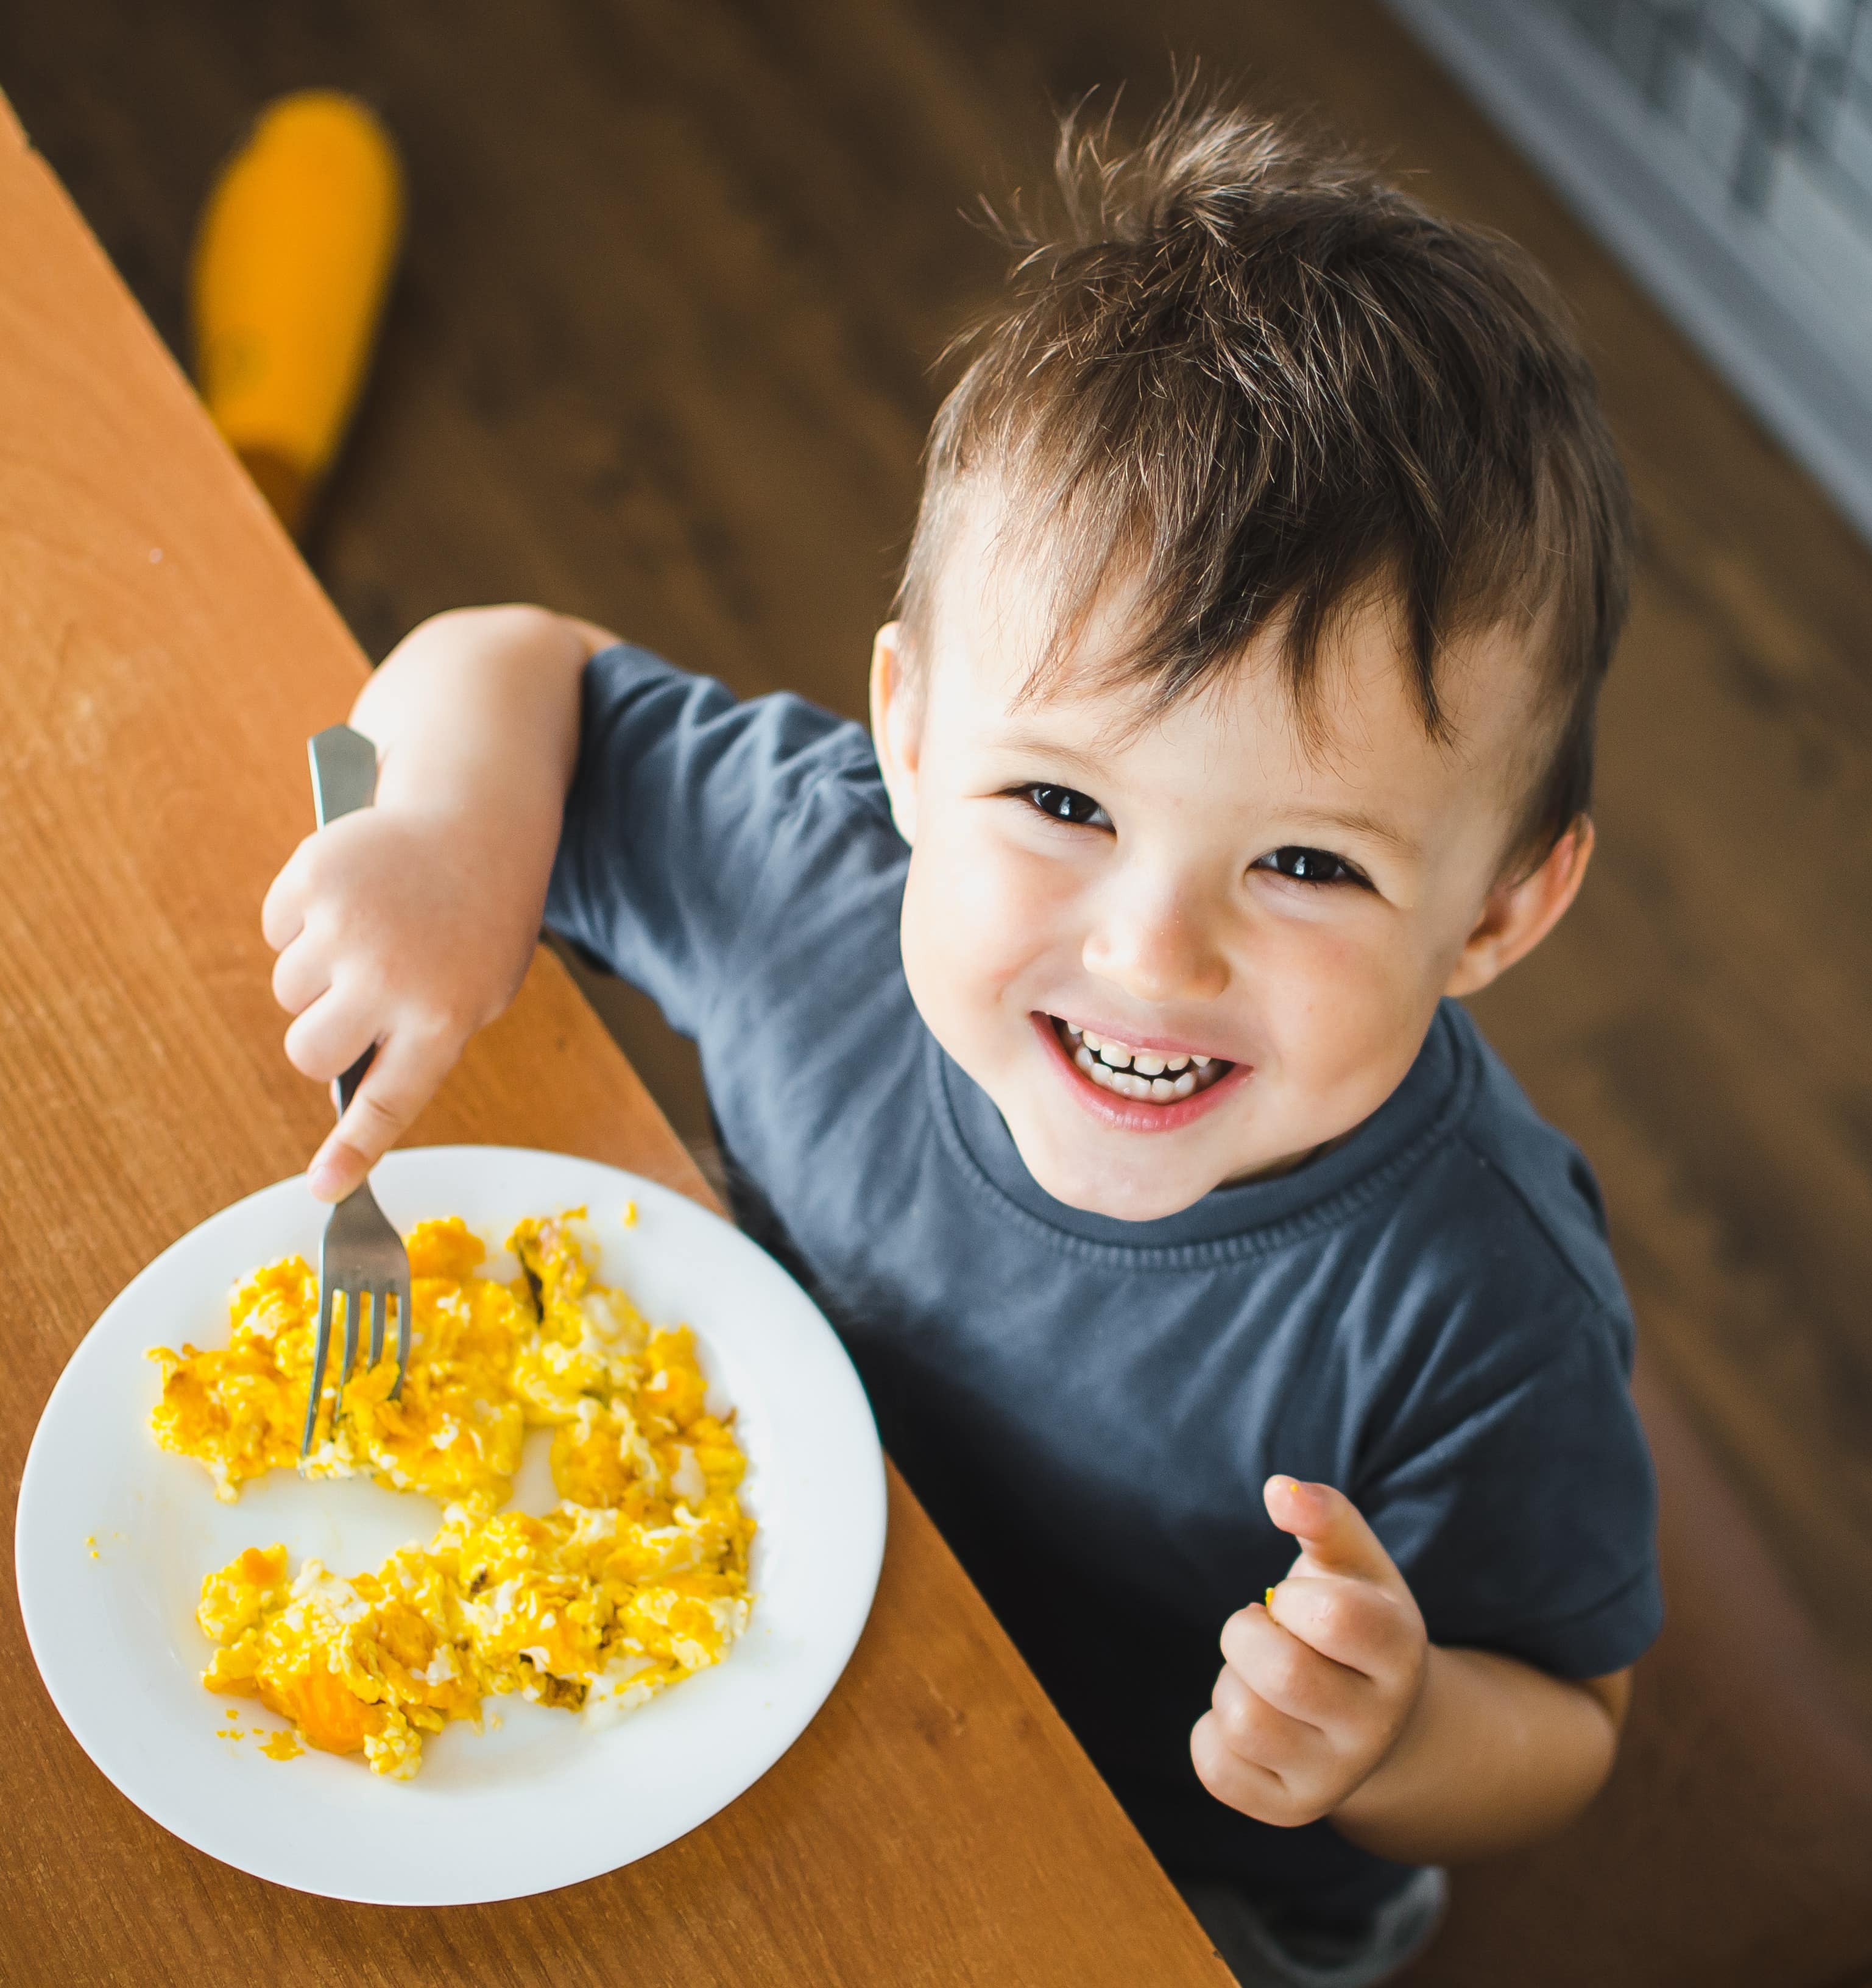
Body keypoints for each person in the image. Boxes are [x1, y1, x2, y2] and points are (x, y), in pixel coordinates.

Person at [262, 91, 1659, 1988]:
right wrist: (434, 837)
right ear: (909, 736)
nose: (1151, 949)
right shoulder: (823, 882)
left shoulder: (1480, 1305)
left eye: (1309, 862)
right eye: (1065, 806)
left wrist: (1395, 1738)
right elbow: (515, 664)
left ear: (1501, 910)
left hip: (1164, 1871)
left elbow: (1571, 1716)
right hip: (737, 1626)